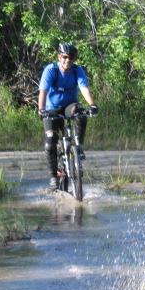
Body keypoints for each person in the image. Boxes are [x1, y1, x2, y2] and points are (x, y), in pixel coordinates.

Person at [38, 43, 98, 191]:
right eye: (64, 57)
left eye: (71, 58)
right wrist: (41, 109)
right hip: (52, 109)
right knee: (51, 140)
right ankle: (53, 177)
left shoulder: (77, 71)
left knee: (81, 114)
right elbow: (43, 92)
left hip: (69, 106)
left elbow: (84, 88)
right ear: (59, 57)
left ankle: (78, 146)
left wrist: (92, 105)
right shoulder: (51, 70)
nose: (67, 61)